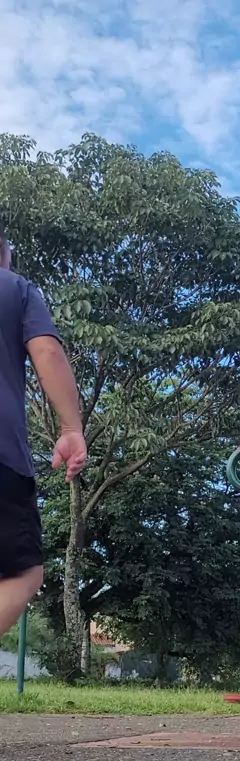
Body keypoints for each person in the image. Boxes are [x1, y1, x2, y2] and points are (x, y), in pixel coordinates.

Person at [0, 232, 87, 640]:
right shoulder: (15, 288)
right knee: (24, 573)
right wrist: (71, 428)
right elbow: (48, 352)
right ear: (3, 254)